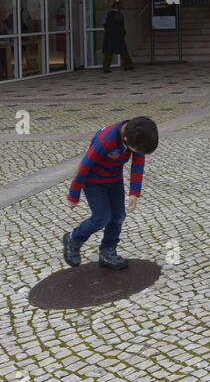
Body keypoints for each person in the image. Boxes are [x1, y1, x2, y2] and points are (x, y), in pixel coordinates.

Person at [63, 116, 159, 271]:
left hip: (114, 180)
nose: (138, 153)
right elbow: (84, 166)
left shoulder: (137, 136)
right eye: (137, 150)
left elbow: (138, 164)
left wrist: (134, 192)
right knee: (102, 218)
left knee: (119, 216)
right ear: (126, 139)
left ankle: (108, 251)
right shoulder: (105, 140)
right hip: (93, 182)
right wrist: (73, 195)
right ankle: (73, 239)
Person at [101, 0, 134, 72]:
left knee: (108, 52)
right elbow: (121, 26)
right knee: (123, 51)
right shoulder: (119, 14)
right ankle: (128, 66)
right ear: (118, 7)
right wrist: (123, 33)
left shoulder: (108, 13)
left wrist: (108, 30)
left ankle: (105, 68)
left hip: (109, 36)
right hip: (118, 36)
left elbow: (104, 23)